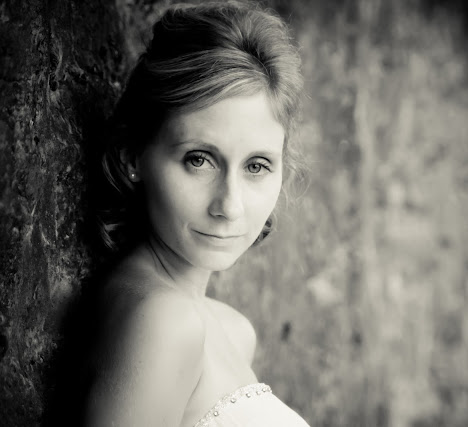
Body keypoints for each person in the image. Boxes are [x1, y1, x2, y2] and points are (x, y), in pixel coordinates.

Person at [76, 2, 308, 426]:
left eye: (257, 166)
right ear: (133, 155)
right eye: (199, 160)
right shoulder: (163, 323)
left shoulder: (233, 331)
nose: (230, 206)